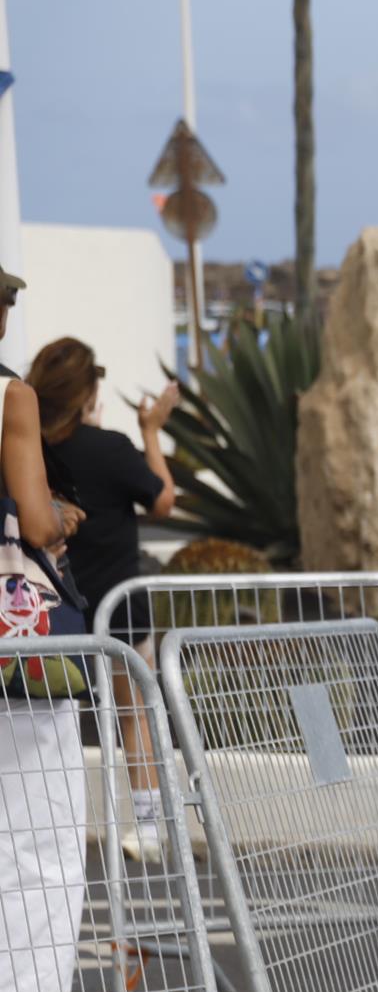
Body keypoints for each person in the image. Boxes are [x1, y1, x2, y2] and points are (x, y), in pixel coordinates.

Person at [27, 338, 180, 860]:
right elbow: (162, 498)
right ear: (88, 392)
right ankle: (146, 825)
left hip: (52, 609)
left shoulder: (27, 451)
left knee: (55, 718)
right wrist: (151, 431)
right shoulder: (110, 449)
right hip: (121, 607)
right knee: (134, 714)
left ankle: (55, 827)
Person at [0, 266, 87, 992]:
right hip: (14, 650)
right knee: (34, 827)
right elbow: (31, 521)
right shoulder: (11, 396)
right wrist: (60, 514)